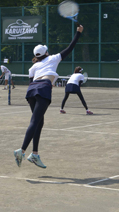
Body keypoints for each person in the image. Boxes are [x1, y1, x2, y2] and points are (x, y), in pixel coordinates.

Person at [14, 25, 84, 168]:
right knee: (35, 122)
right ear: (46, 52)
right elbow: (70, 47)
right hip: (43, 88)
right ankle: (21, 150)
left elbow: (31, 82)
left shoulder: (33, 67)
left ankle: (34, 154)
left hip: (31, 91)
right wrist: (78, 33)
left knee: (39, 121)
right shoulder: (53, 58)